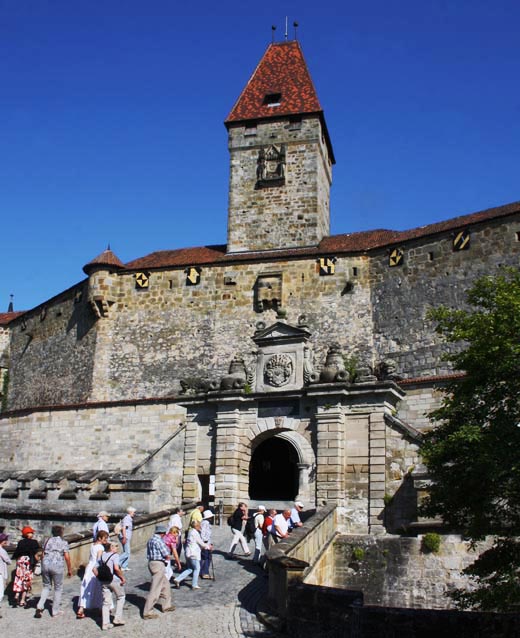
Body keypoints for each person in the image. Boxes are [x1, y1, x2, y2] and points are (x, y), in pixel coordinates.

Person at [34, 525, 72, 618]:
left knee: (46, 586)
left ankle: (39, 606)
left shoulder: (47, 540)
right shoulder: (64, 542)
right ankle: (55, 611)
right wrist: (69, 569)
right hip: (57, 566)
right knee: (58, 588)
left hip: (45, 564)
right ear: (61, 532)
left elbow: (42, 553)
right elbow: (67, 557)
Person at [142, 524, 175, 619]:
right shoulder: (159, 541)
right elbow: (166, 553)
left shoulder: (151, 540)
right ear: (162, 533)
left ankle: (166, 605)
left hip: (152, 563)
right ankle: (147, 612)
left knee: (166, 586)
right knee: (155, 589)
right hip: (158, 564)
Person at [76, 529, 109, 619]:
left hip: (89, 566)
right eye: (105, 538)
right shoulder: (101, 548)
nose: (106, 540)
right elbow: (99, 559)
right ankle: (101, 607)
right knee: (99, 587)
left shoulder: (92, 545)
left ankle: (81, 608)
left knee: (86, 587)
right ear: (99, 538)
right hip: (95, 567)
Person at [93, 540, 126, 630]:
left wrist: (99, 578)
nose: (117, 548)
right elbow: (116, 568)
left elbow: (94, 569)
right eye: (115, 546)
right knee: (121, 596)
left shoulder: (101, 556)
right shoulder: (115, 556)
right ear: (111, 547)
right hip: (113, 580)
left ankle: (105, 624)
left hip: (104, 581)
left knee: (106, 602)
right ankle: (118, 618)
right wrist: (122, 577)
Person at [174, 520, 211, 590]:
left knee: (190, 569)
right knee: (197, 569)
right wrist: (208, 547)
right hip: (194, 553)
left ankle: (178, 579)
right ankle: (194, 584)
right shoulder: (195, 533)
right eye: (199, 525)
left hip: (188, 553)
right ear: (196, 526)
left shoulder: (190, 531)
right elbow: (201, 543)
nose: (200, 526)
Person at [12, 525, 40, 607]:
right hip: (28, 562)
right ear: (28, 534)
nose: (32, 534)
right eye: (31, 532)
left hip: (20, 560)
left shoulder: (21, 542)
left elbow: (16, 554)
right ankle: (22, 600)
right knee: (27, 580)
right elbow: (37, 553)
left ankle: (17, 595)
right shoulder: (34, 542)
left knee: (19, 578)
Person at [119, 506, 136, 571]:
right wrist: (124, 537)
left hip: (127, 537)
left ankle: (124, 566)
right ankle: (117, 562)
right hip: (125, 537)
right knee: (127, 552)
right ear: (130, 512)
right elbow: (124, 528)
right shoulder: (127, 518)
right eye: (134, 512)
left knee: (127, 552)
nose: (134, 513)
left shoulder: (129, 518)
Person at [200, 510, 214, 579]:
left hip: (207, 543)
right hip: (206, 543)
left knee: (205, 557)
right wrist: (207, 544)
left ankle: (203, 571)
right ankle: (205, 572)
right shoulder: (205, 523)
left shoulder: (204, 522)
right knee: (207, 558)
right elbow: (204, 534)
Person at [0, 533, 11, 618]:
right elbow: (8, 561)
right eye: (5, 540)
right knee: (0, 593)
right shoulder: (2, 550)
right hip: (0, 572)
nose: (6, 542)